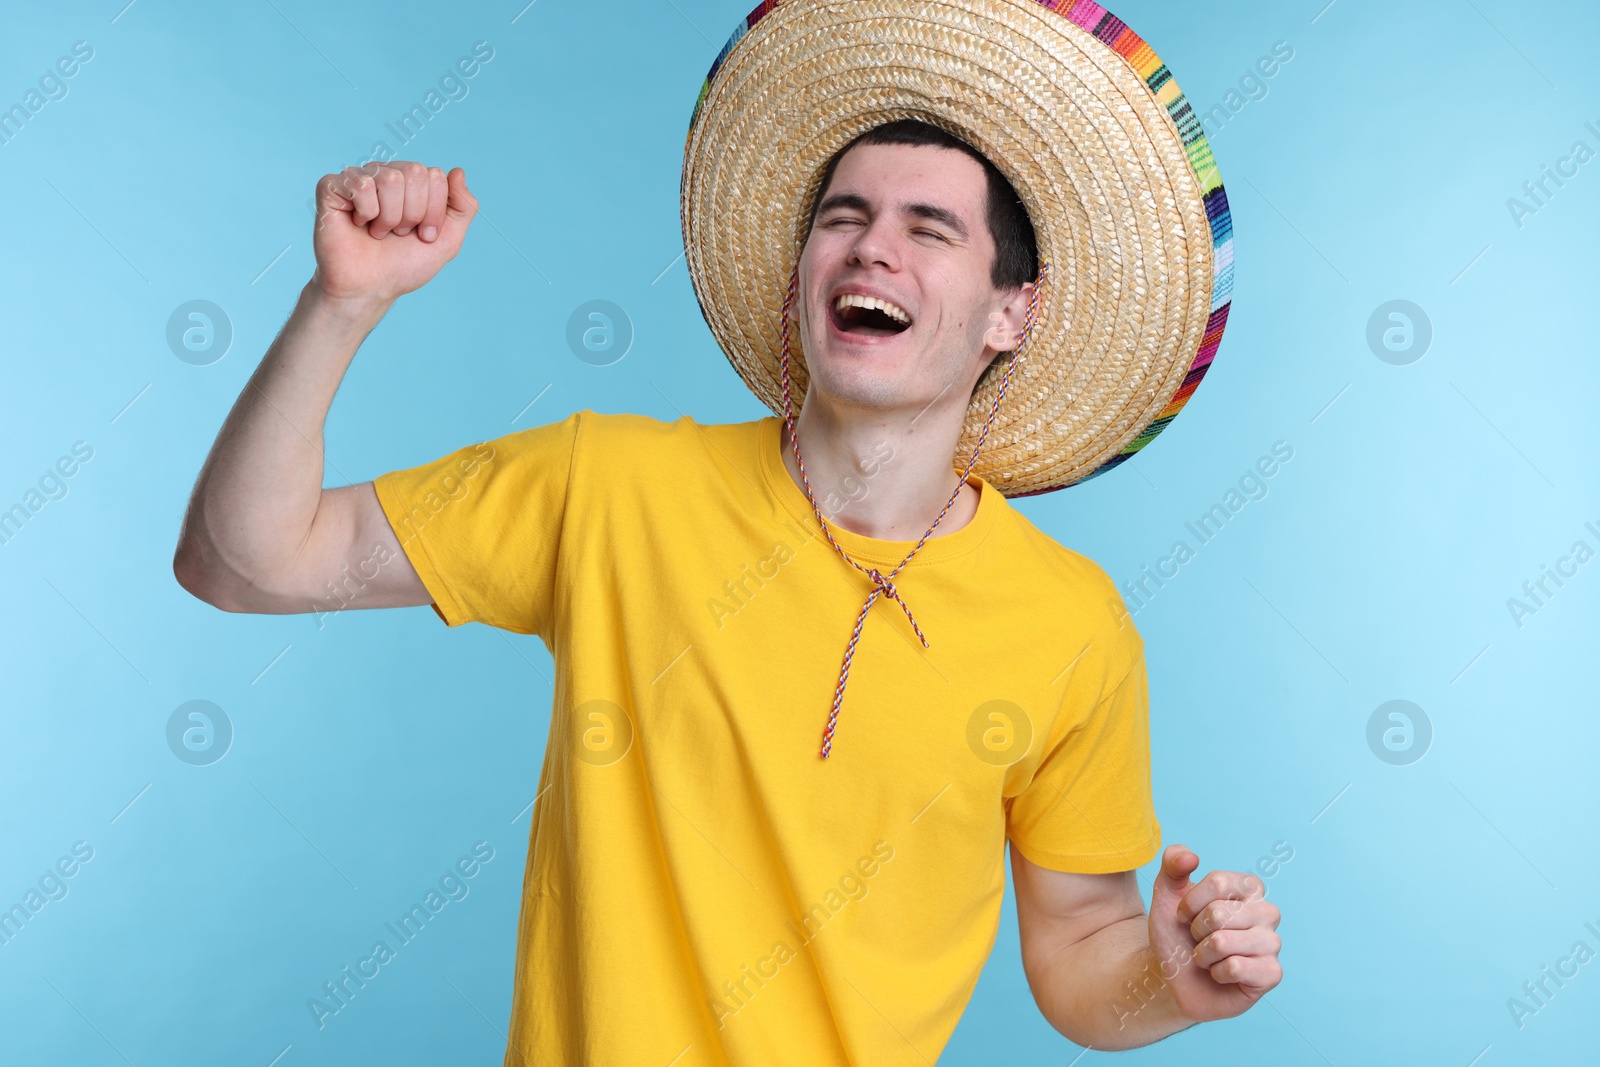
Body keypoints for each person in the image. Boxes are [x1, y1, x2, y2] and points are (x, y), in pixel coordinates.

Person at [173, 2, 1280, 1063]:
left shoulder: (1071, 625)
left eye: (926, 228)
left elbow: (1082, 946)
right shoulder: (605, 483)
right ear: (802, 275)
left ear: (1010, 311)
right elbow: (241, 561)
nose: (868, 249)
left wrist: (1168, 979)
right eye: (840, 218)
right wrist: (344, 302)